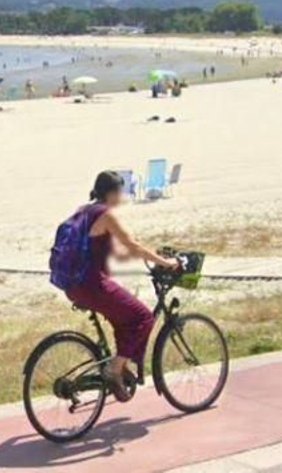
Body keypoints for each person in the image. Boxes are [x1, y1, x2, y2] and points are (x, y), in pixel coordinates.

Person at [62, 171, 179, 401]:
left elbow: (104, 247)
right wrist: (166, 262)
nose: (122, 198)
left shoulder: (83, 210)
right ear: (112, 193)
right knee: (144, 316)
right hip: (91, 285)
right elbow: (132, 245)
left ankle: (121, 365)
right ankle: (114, 370)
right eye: (120, 193)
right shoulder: (106, 215)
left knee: (123, 318)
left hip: (72, 284)